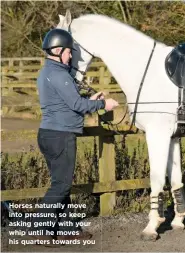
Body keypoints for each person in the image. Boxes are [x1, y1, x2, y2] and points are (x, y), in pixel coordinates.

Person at [28, 28, 119, 246]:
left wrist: (90, 97)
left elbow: (68, 100)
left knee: (62, 184)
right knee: (60, 186)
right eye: (69, 52)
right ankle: (41, 229)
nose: (71, 56)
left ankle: (67, 228)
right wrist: (102, 104)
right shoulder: (59, 74)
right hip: (61, 135)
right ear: (58, 50)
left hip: (50, 134)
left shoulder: (48, 72)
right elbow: (77, 105)